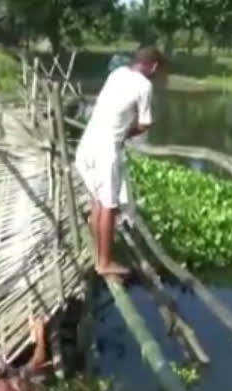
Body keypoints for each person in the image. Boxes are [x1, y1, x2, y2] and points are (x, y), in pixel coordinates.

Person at [75, 46, 164, 277]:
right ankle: (104, 263)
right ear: (153, 66)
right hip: (106, 150)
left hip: (87, 144)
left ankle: (99, 254)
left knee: (97, 202)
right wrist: (126, 132)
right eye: (158, 70)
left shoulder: (117, 74)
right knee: (109, 207)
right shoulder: (145, 86)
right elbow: (145, 124)